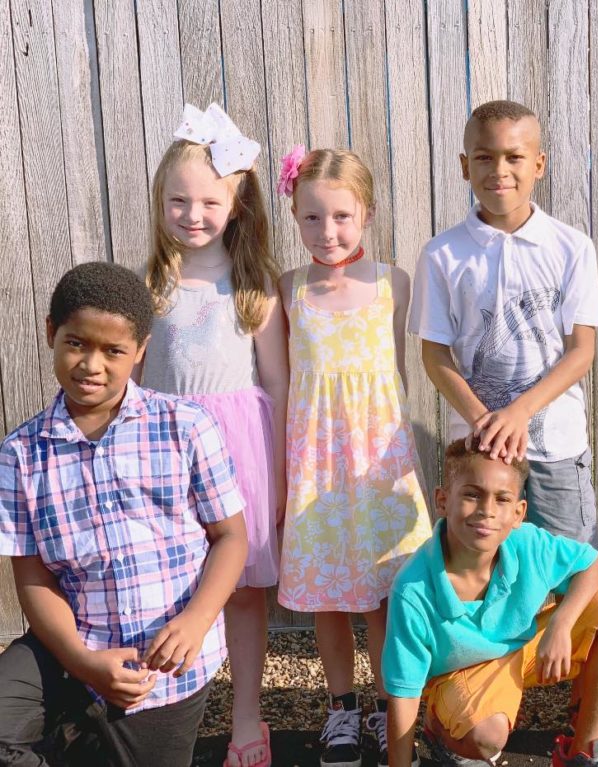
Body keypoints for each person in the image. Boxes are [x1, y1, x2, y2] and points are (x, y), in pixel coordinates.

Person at [0, 262, 248, 766]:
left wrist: (197, 621)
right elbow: (32, 577)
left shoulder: (185, 427)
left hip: (158, 669)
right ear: (52, 333)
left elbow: (231, 538)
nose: (92, 364)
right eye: (77, 343)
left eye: (113, 351)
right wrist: (82, 661)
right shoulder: (21, 453)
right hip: (70, 646)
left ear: (139, 351)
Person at [139, 102, 287, 767]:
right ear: (160, 201)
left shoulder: (254, 284)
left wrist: (282, 475)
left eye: (208, 201)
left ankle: (248, 719)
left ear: (237, 203)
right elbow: (132, 383)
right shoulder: (152, 283)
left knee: (244, 591)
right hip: (165, 452)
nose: (192, 214)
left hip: (238, 456)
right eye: (179, 201)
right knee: (170, 583)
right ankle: (167, 714)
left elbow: (280, 385)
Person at [275, 146, 433, 767]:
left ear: (365, 212)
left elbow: (395, 373)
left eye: (341, 216)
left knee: (387, 595)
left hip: (378, 462)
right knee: (331, 598)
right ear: (294, 213)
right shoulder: (288, 289)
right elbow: (285, 386)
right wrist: (285, 475)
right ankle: (342, 707)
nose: (328, 231)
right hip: (316, 463)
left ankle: (391, 706)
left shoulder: (393, 282)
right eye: (311, 218)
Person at [409, 99, 598, 547]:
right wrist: (484, 421)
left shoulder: (572, 248)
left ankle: (563, 623)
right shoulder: (442, 255)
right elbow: (434, 354)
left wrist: (519, 413)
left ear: (538, 164)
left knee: (565, 560)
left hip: (556, 445)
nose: (499, 169)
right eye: (484, 157)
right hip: (478, 449)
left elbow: (581, 350)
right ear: (464, 166)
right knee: (482, 564)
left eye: (514, 157)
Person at [383, 438, 598, 767]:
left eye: (502, 499)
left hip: (522, 650)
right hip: (459, 674)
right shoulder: (413, 587)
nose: (487, 510)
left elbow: (594, 565)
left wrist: (562, 622)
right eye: (472, 494)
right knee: (486, 737)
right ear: (443, 501)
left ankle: (584, 748)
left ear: (518, 513)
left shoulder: (526, 541)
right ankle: (440, 728)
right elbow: (404, 692)